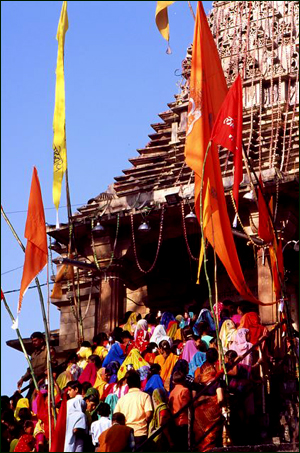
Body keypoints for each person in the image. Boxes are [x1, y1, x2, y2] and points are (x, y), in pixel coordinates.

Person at [193, 348, 224, 452]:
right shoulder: (215, 378)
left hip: (199, 410)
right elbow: (220, 398)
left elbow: (193, 394)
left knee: (200, 435)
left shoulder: (198, 375)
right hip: (212, 412)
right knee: (211, 435)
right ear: (216, 359)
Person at [114, 370, 153, 449]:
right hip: (141, 433)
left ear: (128, 384)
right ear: (139, 382)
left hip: (126, 434)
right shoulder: (145, 396)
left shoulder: (121, 399)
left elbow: (116, 417)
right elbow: (148, 415)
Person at [169, 370, 191, 452]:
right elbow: (185, 406)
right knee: (184, 446)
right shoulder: (184, 390)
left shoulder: (172, 393)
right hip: (183, 421)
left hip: (174, 422)